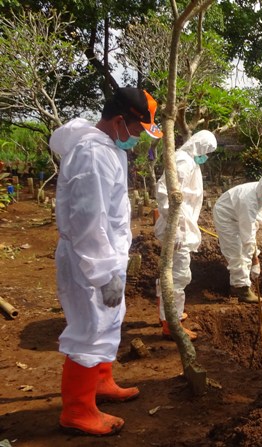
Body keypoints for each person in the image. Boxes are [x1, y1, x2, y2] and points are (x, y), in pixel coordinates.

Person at [49, 87, 163, 436]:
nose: (137, 139)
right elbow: (88, 220)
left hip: (106, 255)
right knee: (89, 329)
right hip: (89, 259)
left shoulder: (108, 148)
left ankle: (101, 382)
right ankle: (78, 411)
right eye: (135, 130)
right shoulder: (92, 156)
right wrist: (101, 272)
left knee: (109, 322)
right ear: (118, 121)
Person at [154, 130, 217, 341]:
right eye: (207, 151)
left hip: (180, 225)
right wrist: (178, 228)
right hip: (177, 230)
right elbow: (167, 192)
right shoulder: (184, 161)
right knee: (179, 275)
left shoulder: (189, 161)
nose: (207, 156)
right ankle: (171, 325)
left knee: (170, 272)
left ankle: (169, 314)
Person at [213, 173, 262, 303]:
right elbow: (248, 234)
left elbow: (257, 215)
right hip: (226, 216)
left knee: (246, 247)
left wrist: (252, 251)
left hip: (239, 213)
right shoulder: (248, 200)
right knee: (236, 251)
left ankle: (237, 284)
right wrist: (255, 261)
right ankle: (242, 289)